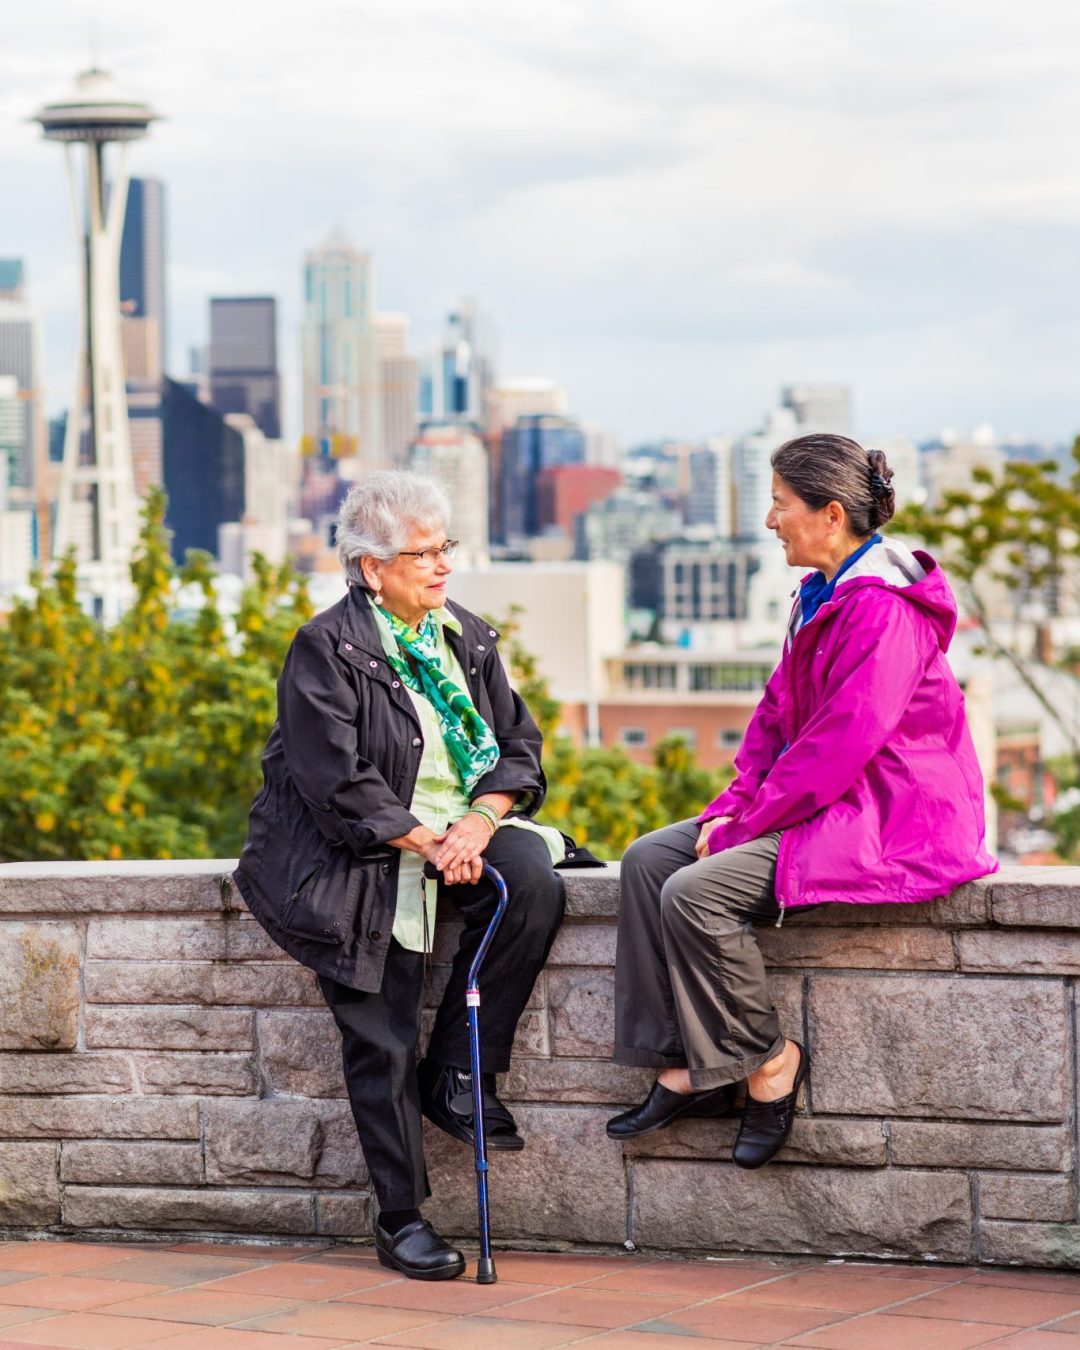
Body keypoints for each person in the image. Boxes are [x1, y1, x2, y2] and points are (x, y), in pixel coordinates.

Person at [607, 433, 998, 1168]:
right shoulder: (820, 595)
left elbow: (839, 749)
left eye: (780, 505)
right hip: (834, 804)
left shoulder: (881, 611)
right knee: (644, 860)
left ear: (830, 515)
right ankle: (691, 1063)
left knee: (695, 892)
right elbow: (776, 720)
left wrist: (739, 832)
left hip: (892, 819)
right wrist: (730, 807)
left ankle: (767, 1061)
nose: (769, 521)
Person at [235, 471, 575, 1281]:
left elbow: (517, 748)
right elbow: (335, 779)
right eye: (420, 553)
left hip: (455, 833)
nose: (441, 566)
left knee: (532, 879)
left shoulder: (466, 635)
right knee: (379, 1036)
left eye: (444, 547)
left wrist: (479, 824)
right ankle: (400, 1218)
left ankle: (458, 1070)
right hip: (351, 861)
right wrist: (427, 840)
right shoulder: (326, 647)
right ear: (368, 569)